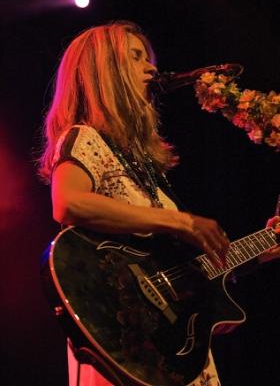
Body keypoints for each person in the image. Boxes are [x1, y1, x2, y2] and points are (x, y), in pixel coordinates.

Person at [39, 21, 280, 386]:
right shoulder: (84, 137)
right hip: (124, 345)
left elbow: (179, 270)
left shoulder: (142, 164)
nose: (152, 68)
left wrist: (263, 248)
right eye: (136, 57)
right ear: (105, 69)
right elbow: (68, 203)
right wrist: (182, 222)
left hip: (170, 350)